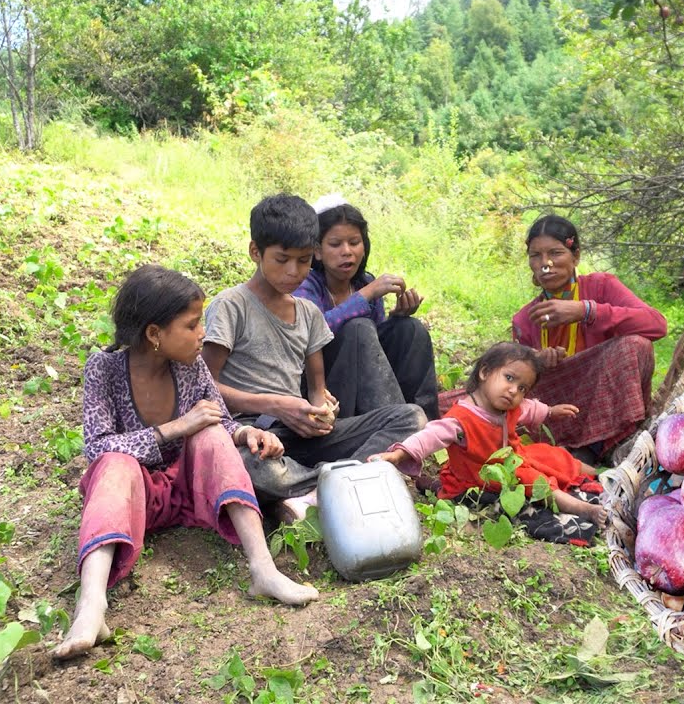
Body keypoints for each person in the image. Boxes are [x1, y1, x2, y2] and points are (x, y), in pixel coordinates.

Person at [52, 265, 318, 660]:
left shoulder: (191, 367)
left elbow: (220, 421)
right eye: (192, 325)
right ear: (155, 334)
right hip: (134, 499)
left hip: (189, 493)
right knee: (113, 463)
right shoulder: (103, 369)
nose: (202, 335)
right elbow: (97, 448)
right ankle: (91, 607)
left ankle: (263, 570)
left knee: (211, 433)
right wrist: (174, 428)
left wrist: (248, 434)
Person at [200, 194, 427, 511]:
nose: (294, 271)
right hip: (252, 433)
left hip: (299, 434)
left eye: (304, 261)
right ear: (255, 252)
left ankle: (311, 492)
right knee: (252, 468)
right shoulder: (230, 305)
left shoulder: (308, 313)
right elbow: (205, 389)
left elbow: (317, 390)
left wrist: (321, 412)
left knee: (411, 418)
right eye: (282, 260)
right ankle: (345, 481)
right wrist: (278, 405)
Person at [375, 342, 606, 531]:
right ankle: (582, 508)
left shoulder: (510, 407)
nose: (515, 390)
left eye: (523, 387)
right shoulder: (461, 419)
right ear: (485, 372)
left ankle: (604, 476)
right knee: (537, 482)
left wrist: (551, 411)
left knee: (553, 455)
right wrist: (400, 453)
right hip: (480, 475)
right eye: (509, 378)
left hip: (513, 459)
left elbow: (529, 409)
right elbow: (430, 436)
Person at [510, 215, 667, 460]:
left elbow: (657, 325)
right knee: (481, 389)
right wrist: (536, 362)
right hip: (558, 412)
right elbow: (520, 385)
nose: (545, 263)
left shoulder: (602, 287)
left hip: (607, 405)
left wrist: (586, 311)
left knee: (636, 345)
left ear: (576, 256)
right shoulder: (524, 319)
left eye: (555, 252)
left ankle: (608, 443)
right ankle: (570, 450)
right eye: (535, 256)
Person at [294, 195, 440, 420]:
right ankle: (397, 423)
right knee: (359, 327)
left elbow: (375, 349)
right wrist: (366, 295)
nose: (347, 251)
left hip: (369, 382)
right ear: (318, 251)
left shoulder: (363, 281)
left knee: (410, 329)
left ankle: (427, 424)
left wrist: (396, 318)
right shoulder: (307, 285)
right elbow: (312, 332)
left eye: (354, 242)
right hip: (323, 385)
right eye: (335, 244)